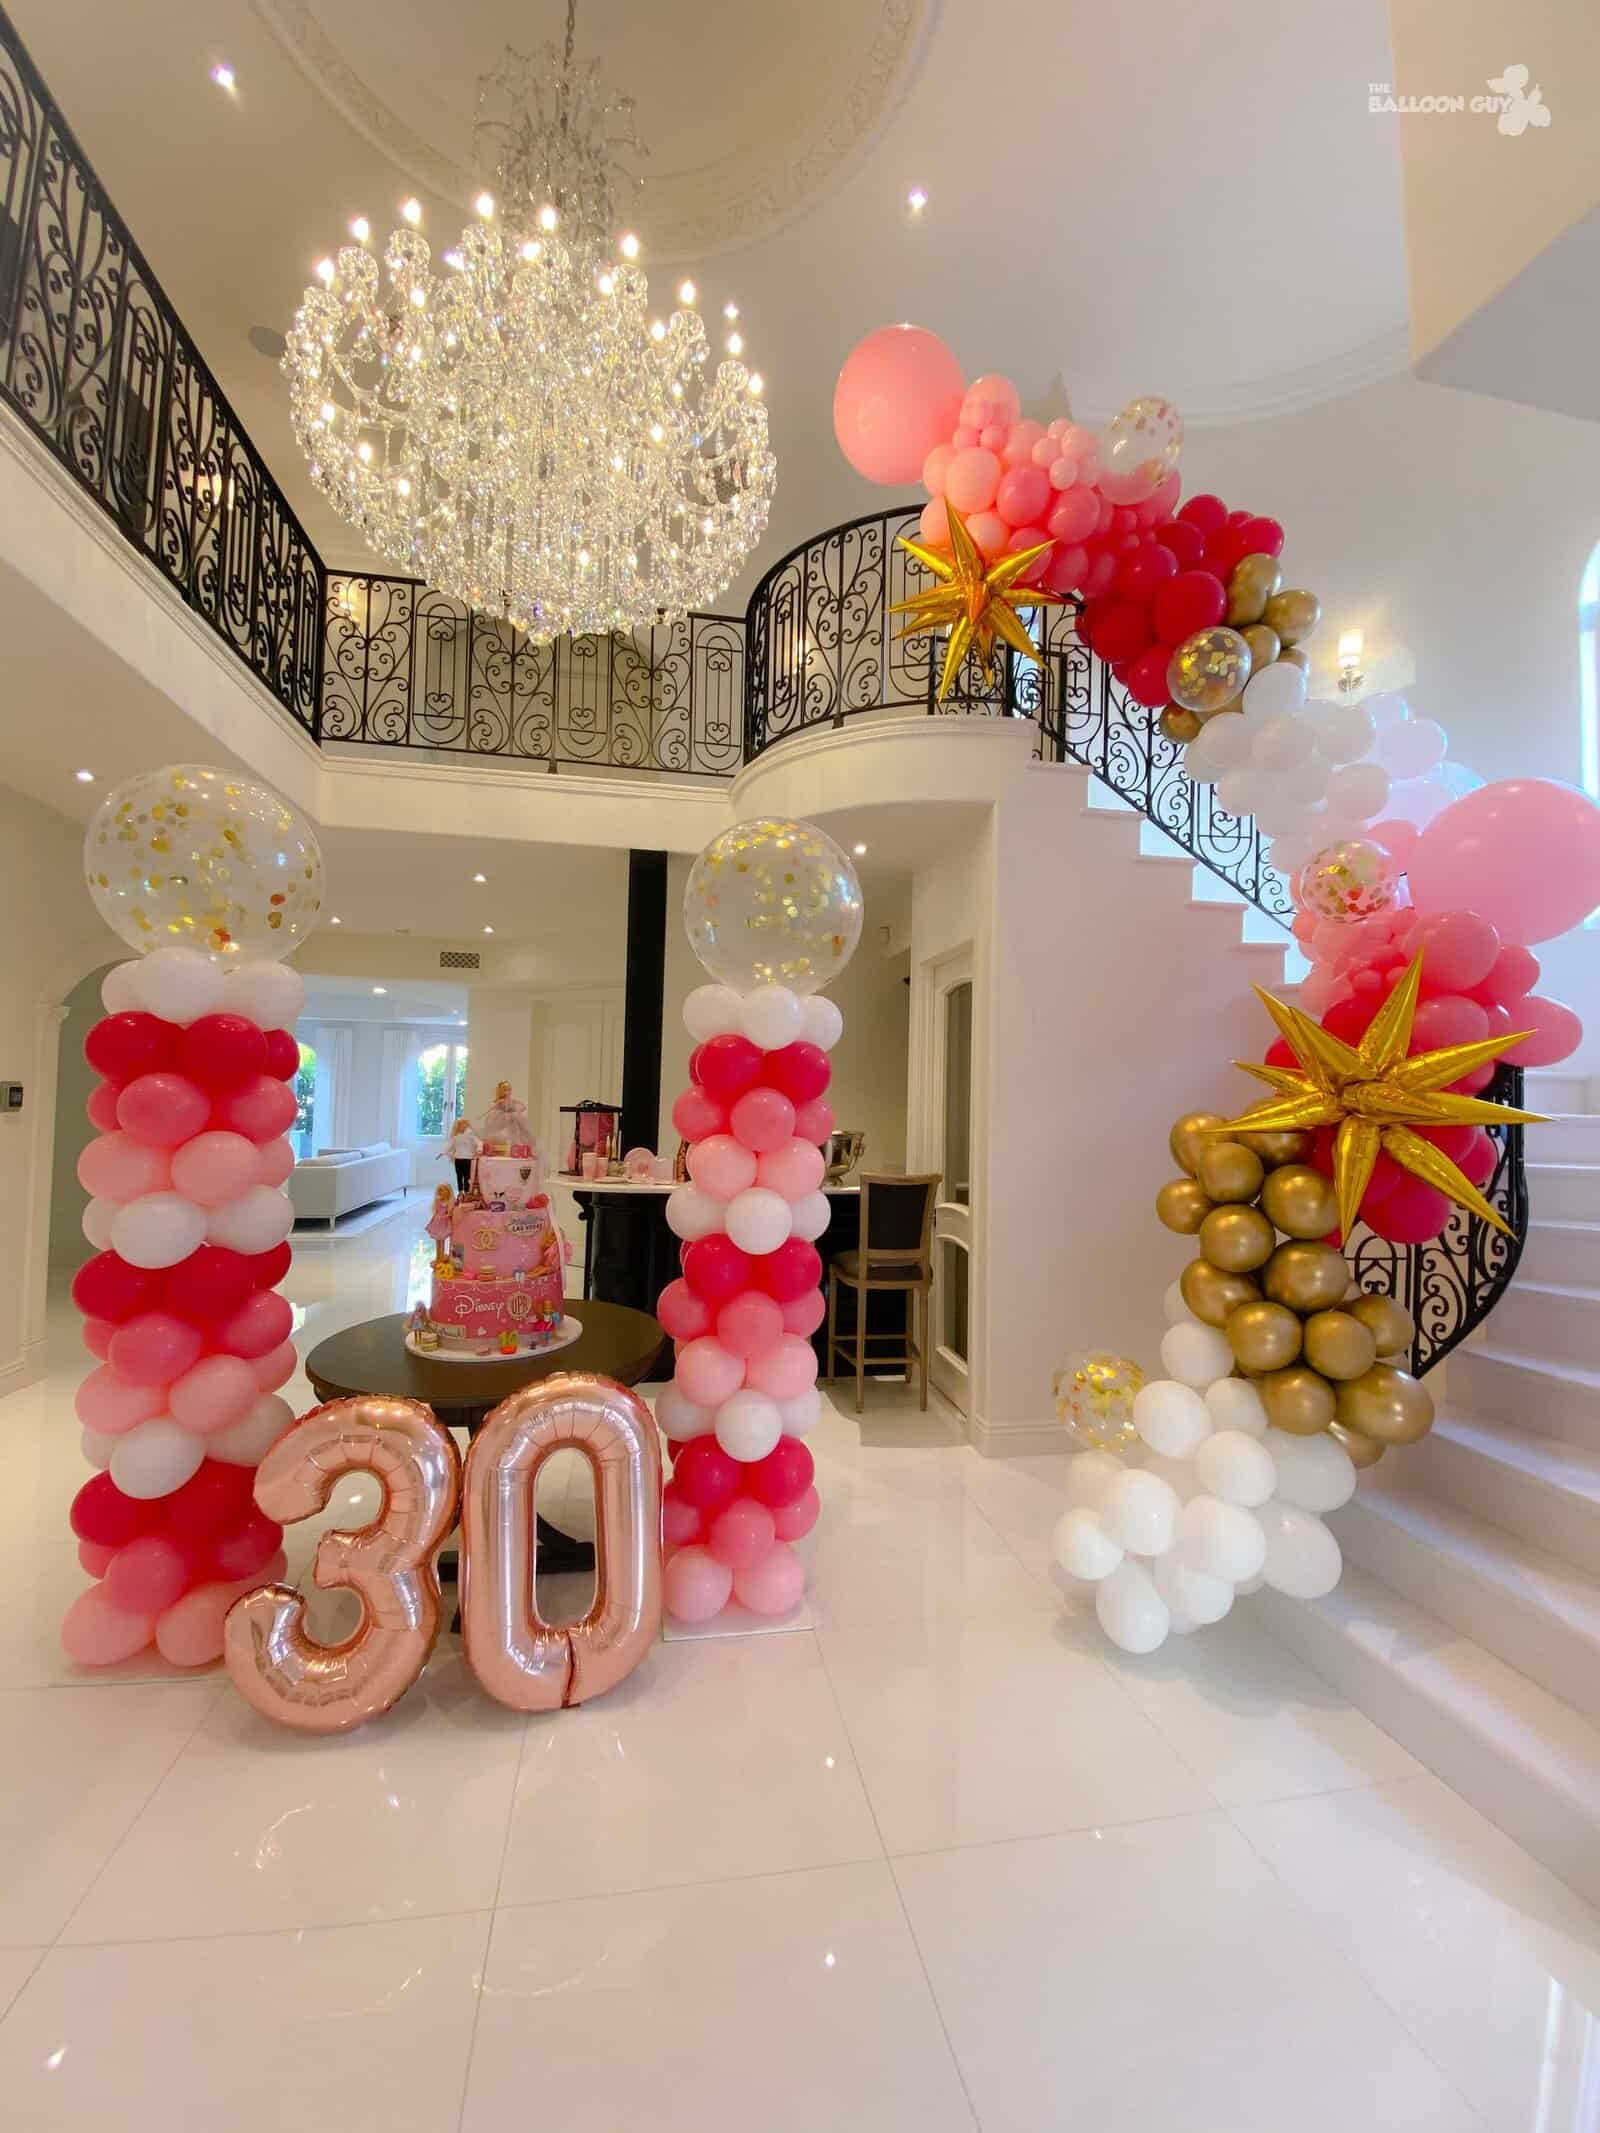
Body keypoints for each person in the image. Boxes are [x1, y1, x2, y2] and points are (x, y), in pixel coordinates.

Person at [442, 1115, 480, 1192]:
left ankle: (465, 1192)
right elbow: (449, 1145)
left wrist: (479, 1149)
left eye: (464, 1125)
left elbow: (478, 1142)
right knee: (460, 1177)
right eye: (461, 1125)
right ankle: (461, 1192)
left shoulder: (470, 1135)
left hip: (466, 1159)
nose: (463, 1127)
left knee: (466, 1177)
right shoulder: (456, 1137)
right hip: (459, 1159)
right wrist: (443, 1152)